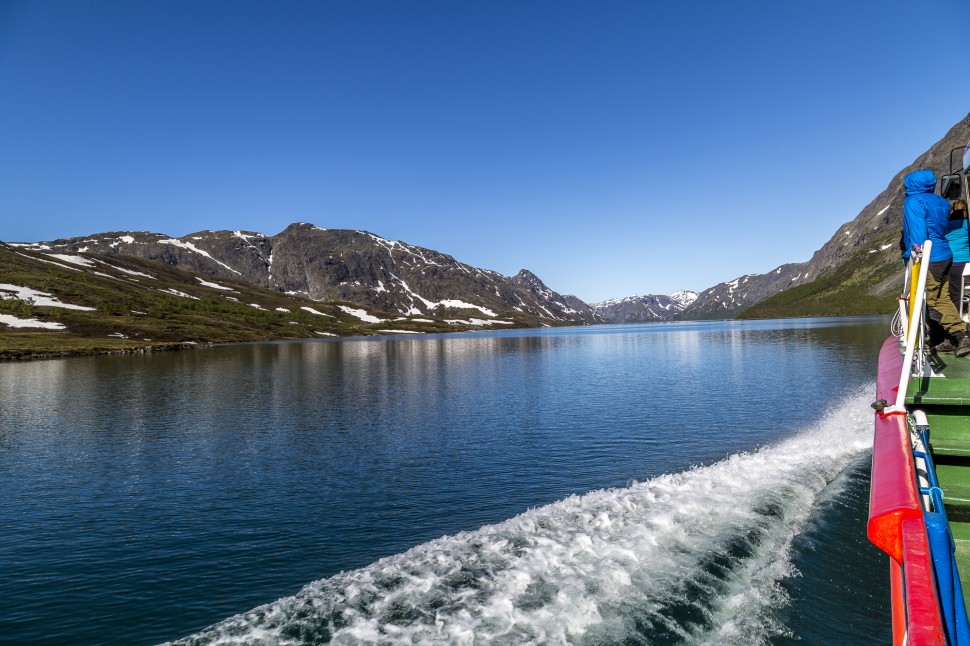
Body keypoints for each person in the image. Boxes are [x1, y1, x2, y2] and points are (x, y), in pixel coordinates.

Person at [901, 169, 970, 356]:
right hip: (946, 254)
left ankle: (961, 335)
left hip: (930, 257)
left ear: (912, 184)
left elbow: (918, 233)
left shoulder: (913, 201)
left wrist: (915, 252)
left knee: (933, 301)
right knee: (943, 298)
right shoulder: (941, 201)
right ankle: (951, 338)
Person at [946, 199, 970, 317]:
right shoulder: (967, 224)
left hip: (953, 264)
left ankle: (959, 320)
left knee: (955, 294)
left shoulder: (947, 225)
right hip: (967, 262)